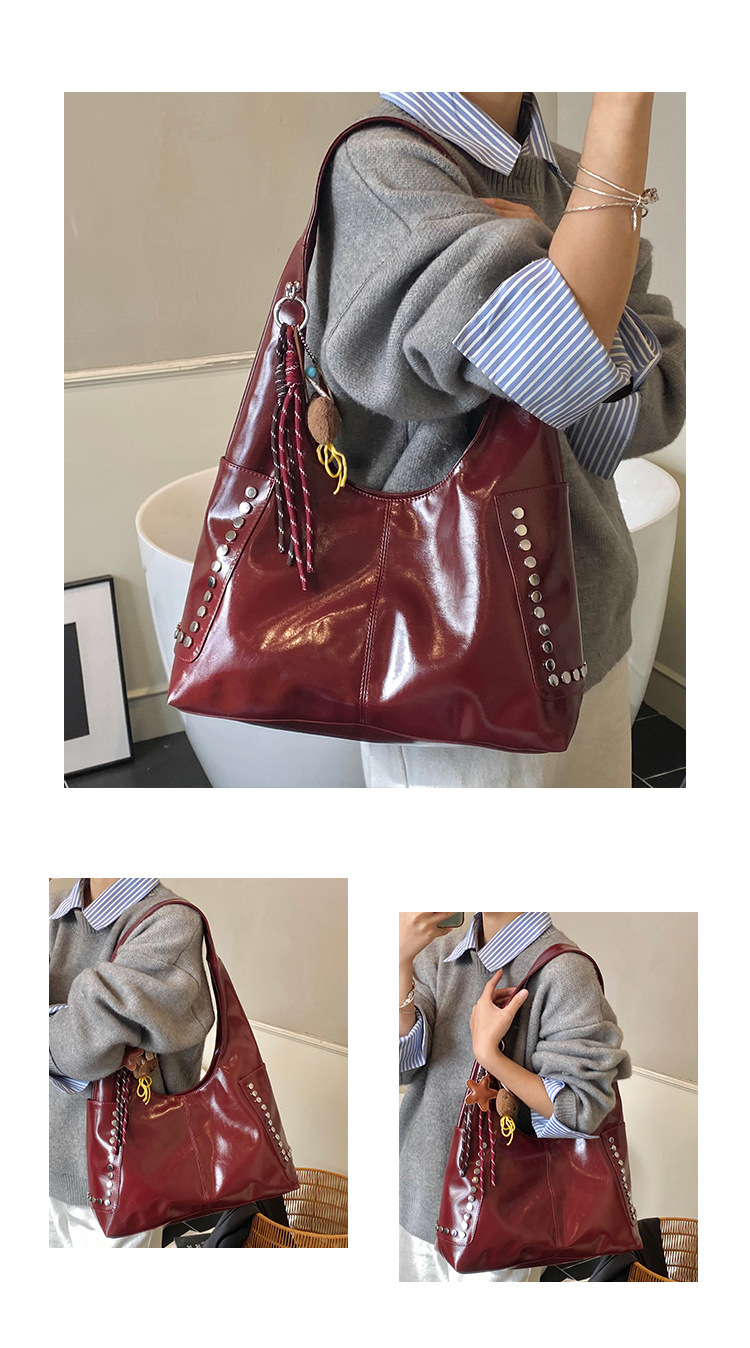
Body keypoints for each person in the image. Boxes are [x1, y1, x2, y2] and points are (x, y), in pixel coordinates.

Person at [306, 92, 686, 787]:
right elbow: (552, 361)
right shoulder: (383, 166)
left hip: (593, 631)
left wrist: (552, 264)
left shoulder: (573, 178)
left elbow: (662, 398)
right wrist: (623, 105)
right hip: (447, 663)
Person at [398, 911, 631, 1281]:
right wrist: (399, 961)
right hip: (411, 1201)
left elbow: (582, 1109)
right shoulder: (437, 953)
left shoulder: (564, 972)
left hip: (499, 1228)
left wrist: (490, 1056)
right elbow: (401, 1068)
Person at [49, 878, 214, 1248]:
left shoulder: (170, 923)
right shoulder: (50, 909)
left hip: (119, 1183)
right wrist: (75, 1027)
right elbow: (85, 1038)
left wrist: (77, 1031)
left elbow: (82, 1044)